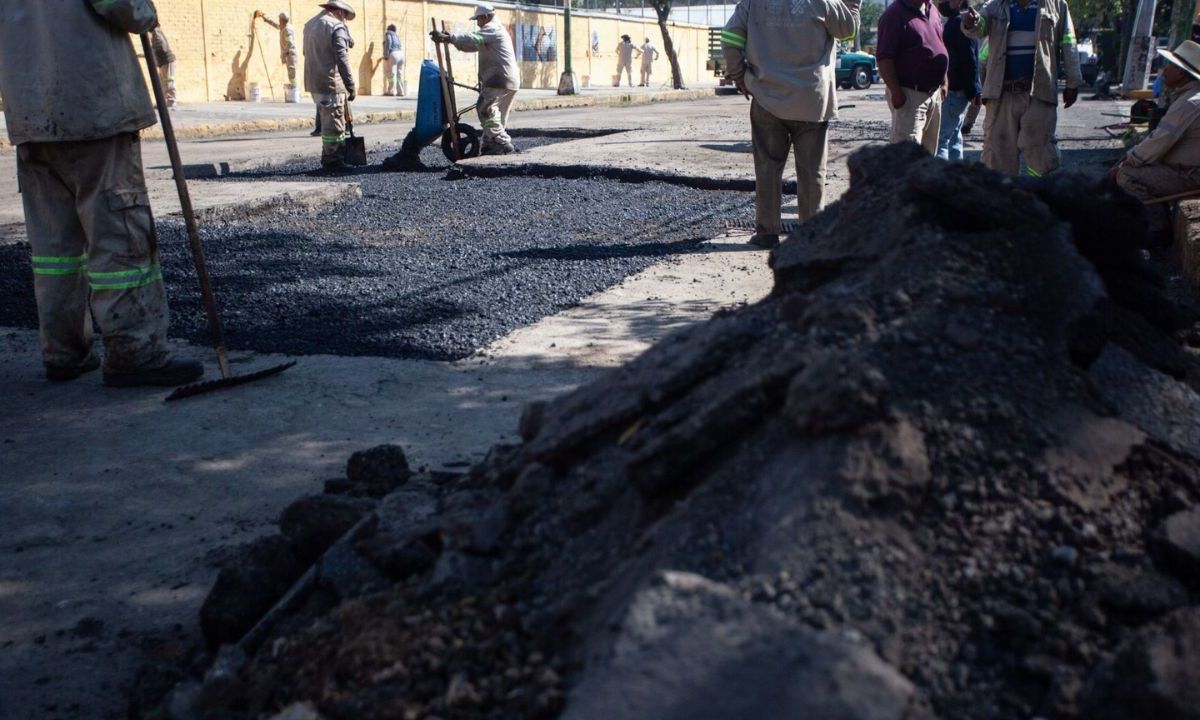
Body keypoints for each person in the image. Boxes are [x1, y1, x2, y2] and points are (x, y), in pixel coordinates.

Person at [0, 0, 203, 387]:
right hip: (93, 105)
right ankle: (136, 352)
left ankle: (63, 352)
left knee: (54, 250)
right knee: (119, 238)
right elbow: (129, 10)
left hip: (30, 114)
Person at [722, 0, 861, 249]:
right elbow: (848, 30)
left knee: (767, 169)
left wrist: (739, 76)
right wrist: (852, 3)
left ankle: (766, 233)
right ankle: (810, 234)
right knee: (812, 172)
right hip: (811, 100)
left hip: (766, 97)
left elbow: (731, 37)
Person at [963, 0, 1082, 176]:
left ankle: (1040, 194)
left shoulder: (1057, 5)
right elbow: (978, 28)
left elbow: (1068, 42)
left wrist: (1073, 81)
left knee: (1040, 151)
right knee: (998, 154)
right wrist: (969, 22)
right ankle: (1005, 199)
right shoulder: (995, 7)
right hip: (1002, 95)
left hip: (1039, 93)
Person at [1112, 40, 1200, 241]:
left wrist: (1128, 161)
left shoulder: (1189, 103)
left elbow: (1160, 141)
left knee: (1127, 175)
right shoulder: (1190, 98)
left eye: (1170, 67)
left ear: (1183, 73)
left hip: (1192, 175)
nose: (1165, 71)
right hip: (1190, 170)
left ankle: (1158, 229)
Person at [431, 3, 521, 155]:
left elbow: (472, 39)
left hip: (498, 79)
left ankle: (503, 141)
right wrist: (450, 39)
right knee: (496, 115)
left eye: (478, 20)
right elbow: (471, 45)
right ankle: (488, 145)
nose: (477, 23)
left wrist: (450, 38)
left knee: (484, 109)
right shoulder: (494, 31)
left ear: (485, 17)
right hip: (508, 79)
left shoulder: (492, 29)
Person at [877, 0, 949, 154]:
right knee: (906, 159)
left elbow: (939, 45)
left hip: (934, 95)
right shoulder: (894, 14)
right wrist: (896, 94)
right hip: (910, 96)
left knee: (928, 158)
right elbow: (884, 59)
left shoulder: (932, 10)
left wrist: (944, 82)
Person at [303, 0, 357, 170]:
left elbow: (308, 52)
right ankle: (333, 161)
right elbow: (342, 59)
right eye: (345, 18)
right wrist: (350, 84)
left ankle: (329, 156)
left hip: (314, 81)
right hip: (331, 82)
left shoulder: (310, 24)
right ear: (340, 12)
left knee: (327, 123)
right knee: (335, 125)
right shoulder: (335, 26)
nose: (344, 21)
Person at [936, 0, 980, 159]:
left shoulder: (959, 24)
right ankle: (956, 179)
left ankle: (943, 182)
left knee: (940, 140)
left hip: (955, 92)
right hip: (958, 93)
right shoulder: (960, 23)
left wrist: (972, 90)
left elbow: (969, 59)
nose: (941, 3)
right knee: (954, 138)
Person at [256, 10, 298, 89]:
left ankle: (294, 88)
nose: (279, 20)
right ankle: (293, 87)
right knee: (290, 72)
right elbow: (275, 25)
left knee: (291, 71)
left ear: (282, 20)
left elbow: (290, 43)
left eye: (279, 19)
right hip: (288, 53)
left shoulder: (288, 30)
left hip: (290, 54)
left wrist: (284, 53)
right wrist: (265, 18)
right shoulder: (284, 27)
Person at [151, 26, 177, 109]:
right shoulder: (155, 32)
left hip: (167, 60)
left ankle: (171, 101)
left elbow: (162, 45)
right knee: (163, 82)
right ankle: (163, 102)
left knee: (169, 80)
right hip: (163, 62)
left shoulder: (156, 31)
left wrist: (156, 52)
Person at [384, 23, 406, 96]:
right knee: (400, 74)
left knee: (391, 74)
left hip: (394, 54)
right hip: (401, 54)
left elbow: (388, 43)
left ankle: (391, 91)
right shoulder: (397, 36)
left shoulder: (388, 34)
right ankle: (401, 91)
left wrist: (386, 55)